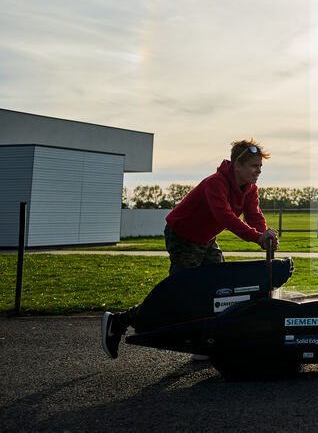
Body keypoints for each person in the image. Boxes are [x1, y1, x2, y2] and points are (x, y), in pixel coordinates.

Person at [102, 139, 280, 358]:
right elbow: (225, 216)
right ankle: (118, 321)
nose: (258, 171)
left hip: (206, 239)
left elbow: (254, 215)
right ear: (237, 165)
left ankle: (205, 341)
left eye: (260, 166)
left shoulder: (250, 189)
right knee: (178, 294)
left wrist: (266, 237)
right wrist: (257, 237)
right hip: (183, 236)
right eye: (254, 166)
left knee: (219, 288)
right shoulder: (216, 183)